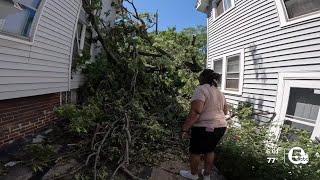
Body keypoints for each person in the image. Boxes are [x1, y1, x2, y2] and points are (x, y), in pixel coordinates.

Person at [180, 69, 229, 180]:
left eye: (200, 76)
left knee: (195, 151)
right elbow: (225, 112)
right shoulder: (219, 92)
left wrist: (185, 129)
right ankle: (207, 175)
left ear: (203, 77)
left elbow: (196, 112)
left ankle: (193, 174)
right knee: (210, 150)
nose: (198, 78)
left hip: (204, 127)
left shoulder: (201, 89)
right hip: (221, 127)